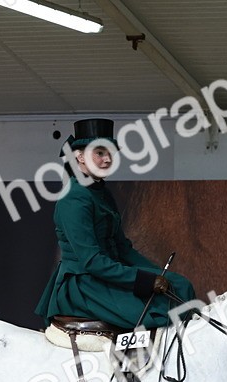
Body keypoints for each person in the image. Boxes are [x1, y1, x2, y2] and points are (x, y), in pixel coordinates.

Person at [35, 118, 197, 330]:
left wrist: (157, 274)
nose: (107, 159)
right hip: (84, 285)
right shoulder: (73, 198)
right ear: (80, 157)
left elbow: (122, 248)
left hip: (107, 276)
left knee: (181, 286)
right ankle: (139, 362)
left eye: (110, 153)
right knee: (155, 313)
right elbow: (92, 262)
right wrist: (145, 280)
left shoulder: (102, 193)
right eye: (100, 153)